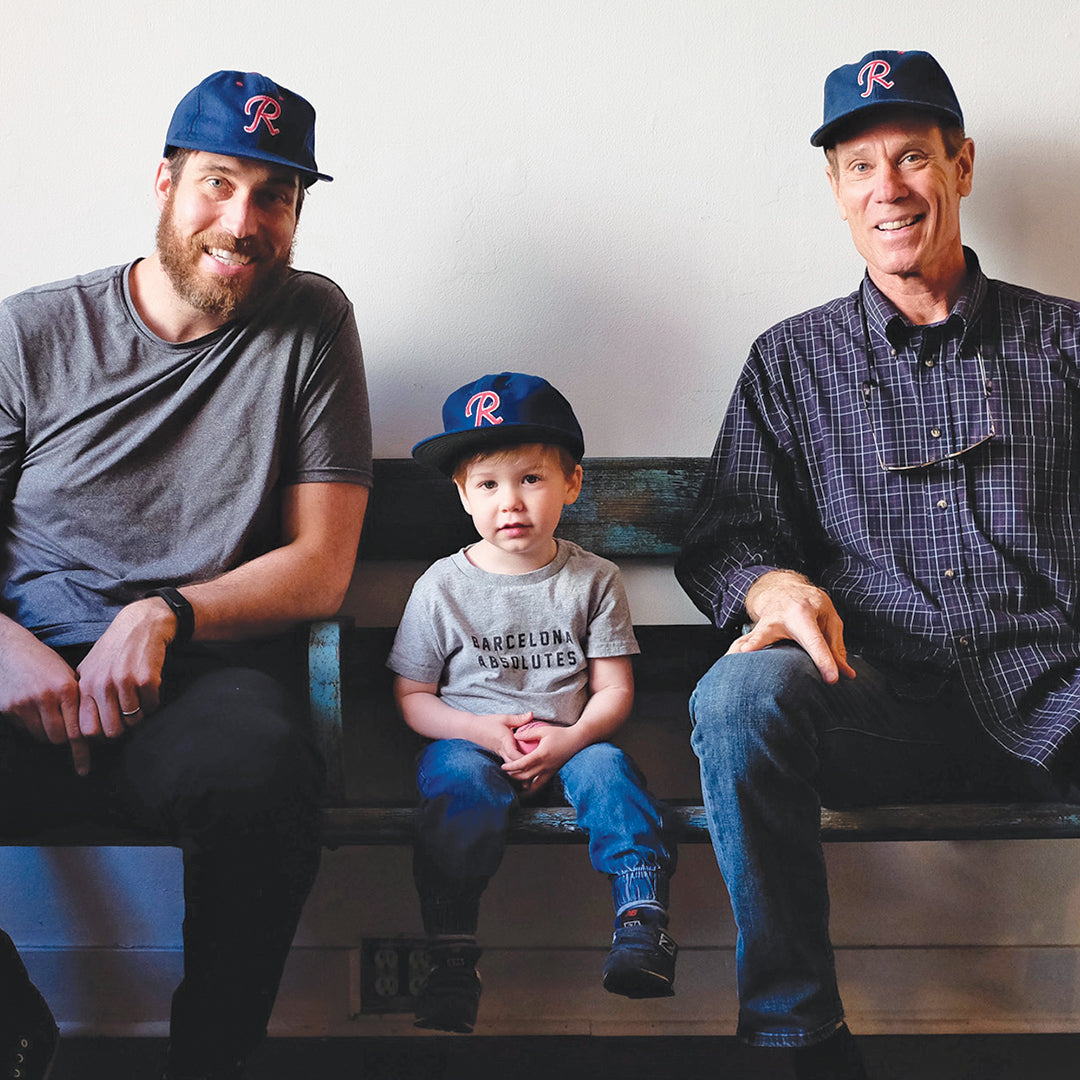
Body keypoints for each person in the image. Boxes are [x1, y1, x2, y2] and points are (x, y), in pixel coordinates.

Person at [676, 49, 1080, 1080]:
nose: (888, 187)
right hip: (872, 701)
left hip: (1055, 694)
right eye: (860, 167)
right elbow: (728, 535)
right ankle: (793, 1037)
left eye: (912, 158)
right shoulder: (789, 359)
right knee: (737, 694)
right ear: (836, 191)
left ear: (962, 165)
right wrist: (775, 586)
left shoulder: (1063, 343)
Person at [0, 71, 372, 1079]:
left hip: (195, 678)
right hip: (25, 675)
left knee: (260, 775)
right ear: (165, 183)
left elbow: (321, 566)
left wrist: (167, 613)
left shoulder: (313, 325)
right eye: (219, 182)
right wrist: (10, 652)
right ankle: (12, 1027)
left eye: (276, 195)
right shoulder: (31, 334)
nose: (242, 219)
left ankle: (211, 1058)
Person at [387, 371, 678, 1033]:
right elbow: (413, 697)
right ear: (462, 494)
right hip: (472, 744)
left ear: (571, 483)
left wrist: (570, 740)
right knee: (458, 784)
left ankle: (642, 925)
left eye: (531, 479)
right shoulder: (441, 586)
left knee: (612, 773)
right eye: (487, 485)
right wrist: (483, 734)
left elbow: (614, 690)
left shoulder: (593, 579)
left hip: (570, 743)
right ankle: (452, 953)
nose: (509, 502)